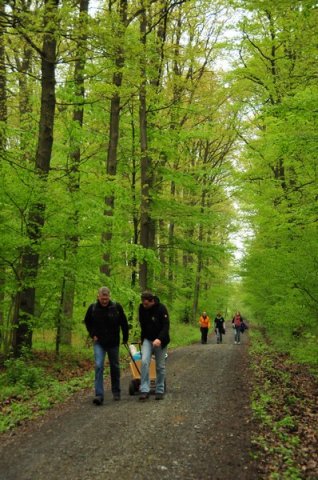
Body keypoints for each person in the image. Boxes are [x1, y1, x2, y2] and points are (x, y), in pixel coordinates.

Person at [84, 286, 129, 405]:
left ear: (109, 296)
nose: (104, 301)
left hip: (113, 342)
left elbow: (124, 323)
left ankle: (116, 391)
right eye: (102, 298)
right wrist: (92, 334)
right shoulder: (92, 308)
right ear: (98, 296)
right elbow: (87, 322)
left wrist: (125, 338)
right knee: (99, 365)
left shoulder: (116, 307)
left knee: (114, 366)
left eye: (106, 298)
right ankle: (99, 395)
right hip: (99, 342)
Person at [138, 291, 170, 401]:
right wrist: (143, 339)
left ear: (152, 301)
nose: (144, 306)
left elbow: (166, 326)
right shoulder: (141, 308)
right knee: (144, 361)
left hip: (161, 340)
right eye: (143, 303)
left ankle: (160, 389)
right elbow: (143, 324)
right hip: (147, 339)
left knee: (160, 366)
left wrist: (159, 339)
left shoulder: (161, 308)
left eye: (146, 304)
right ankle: (144, 389)